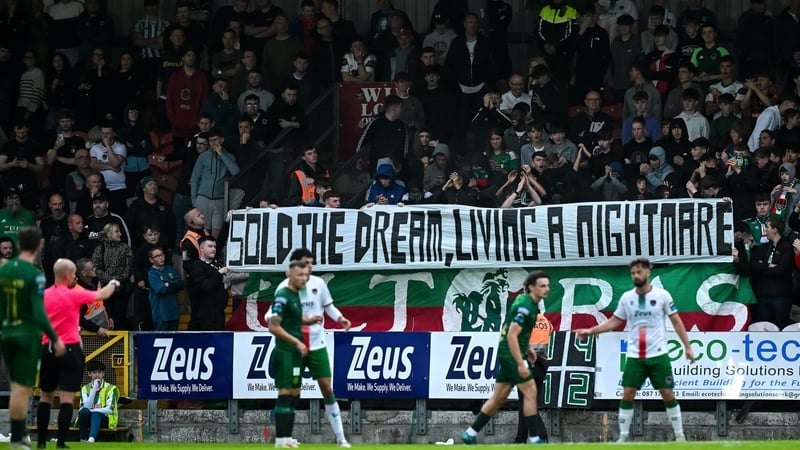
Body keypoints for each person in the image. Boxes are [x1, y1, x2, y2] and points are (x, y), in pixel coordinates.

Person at [577, 258, 695, 443]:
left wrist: (687, 346)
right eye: (633, 273)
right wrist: (592, 331)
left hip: (658, 354)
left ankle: (679, 435)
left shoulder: (662, 296)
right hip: (635, 356)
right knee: (628, 393)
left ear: (648, 272)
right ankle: (623, 436)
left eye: (639, 272)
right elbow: (615, 320)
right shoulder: (627, 298)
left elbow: (676, 320)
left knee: (668, 393)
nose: (636, 275)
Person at [272, 249, 352, 447]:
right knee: (290, 391)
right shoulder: (284, 289)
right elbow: (274, 319)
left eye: (311, 263)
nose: (309, 267)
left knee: (327, 387)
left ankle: (341, 438)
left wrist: (340, 318)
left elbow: (328, 306)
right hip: (294, 347)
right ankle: (284, 437)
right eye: (305, 263)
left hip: (316, 345)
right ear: (293, 266)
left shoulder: (318, 283)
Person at [462, 271, 552, 445]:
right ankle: (536, 438)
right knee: (530, 394)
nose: (546, 289)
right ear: (531, 288)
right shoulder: (526, 307)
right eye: (542, 286)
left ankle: (470, 433)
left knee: (498, 397)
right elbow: (512, 335)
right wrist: (520, 362)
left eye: (547, 285)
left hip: (509, 353)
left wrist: (529, 349)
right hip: (512, 355)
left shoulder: (529, 307)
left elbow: (519, 333)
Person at [38, 258, 119, 450]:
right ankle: (60, 442)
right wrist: (113, 283)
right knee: (66, 397)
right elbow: (103, 293)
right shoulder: (75, 295)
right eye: (74, 274)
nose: (76, 277)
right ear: (66, 276)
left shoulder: (43, 295)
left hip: (49, 347)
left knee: (46, 397)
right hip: (71, 348)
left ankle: (41, 442)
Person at [0, 229, 65, 450]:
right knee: (22, 388)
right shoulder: (34, 273)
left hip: (7, 333)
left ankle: (19, 436)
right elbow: (38, 311)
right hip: (27, 334)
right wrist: (55, 338)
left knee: (15, 385)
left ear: (19, 245)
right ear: (37, 246)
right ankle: (18, 438)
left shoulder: (5, 269)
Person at [268, 259, 311, 449]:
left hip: (295, 352)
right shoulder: (283, 294)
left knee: (295, 392)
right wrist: (295, 341)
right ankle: (280, 439)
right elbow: (272, 323)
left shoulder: (297, 296)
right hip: (285, 351)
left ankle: (287, 437)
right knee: (286, 392)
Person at [76, 360, 120, 443]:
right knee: (84, 412)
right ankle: (83, 439)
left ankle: (91, 439)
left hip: (105, 419)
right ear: (89, 374)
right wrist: (95, 387)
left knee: (96, 414)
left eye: (99, 372)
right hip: (88, 418)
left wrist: (94, 410)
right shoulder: (85, 389)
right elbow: (85, 407)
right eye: (94, 372)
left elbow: (110, 409)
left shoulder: (110, 388)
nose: (97, 375)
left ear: (103, 374)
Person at [148, 246, 185, 331]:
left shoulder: (169, 269)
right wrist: (173, 285)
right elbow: (162, 290)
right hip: (161, 315)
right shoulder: (152, 273)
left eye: (162, 255)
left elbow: (181, 284)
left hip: (174, 313)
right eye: (157, 256)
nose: (160, 258)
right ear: (151, 260)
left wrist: (168, 284)